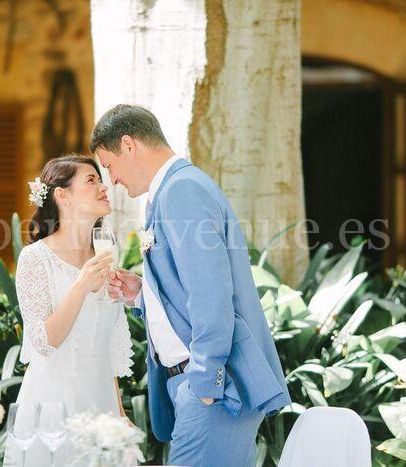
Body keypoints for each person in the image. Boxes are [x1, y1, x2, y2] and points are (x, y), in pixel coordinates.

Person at [94, 104, 291, 467]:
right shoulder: (170, 191)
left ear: (128, 144)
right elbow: (191, 285)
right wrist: (142, 293)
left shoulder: (181, 190)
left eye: (109, 166)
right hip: (197, 387)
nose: (112, 179)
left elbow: (211, 296)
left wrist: (204, 384)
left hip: (214, 389)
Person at [4, 155, 134, 465]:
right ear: (63, 195)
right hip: (53, 410)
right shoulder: (36, 259)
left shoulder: (106, 252)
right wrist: (81, 285)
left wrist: (120, 413)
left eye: (101, 179)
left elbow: (108, 348)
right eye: (91, 180)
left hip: (102, 408)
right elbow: (43, 341)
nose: (103, 187)